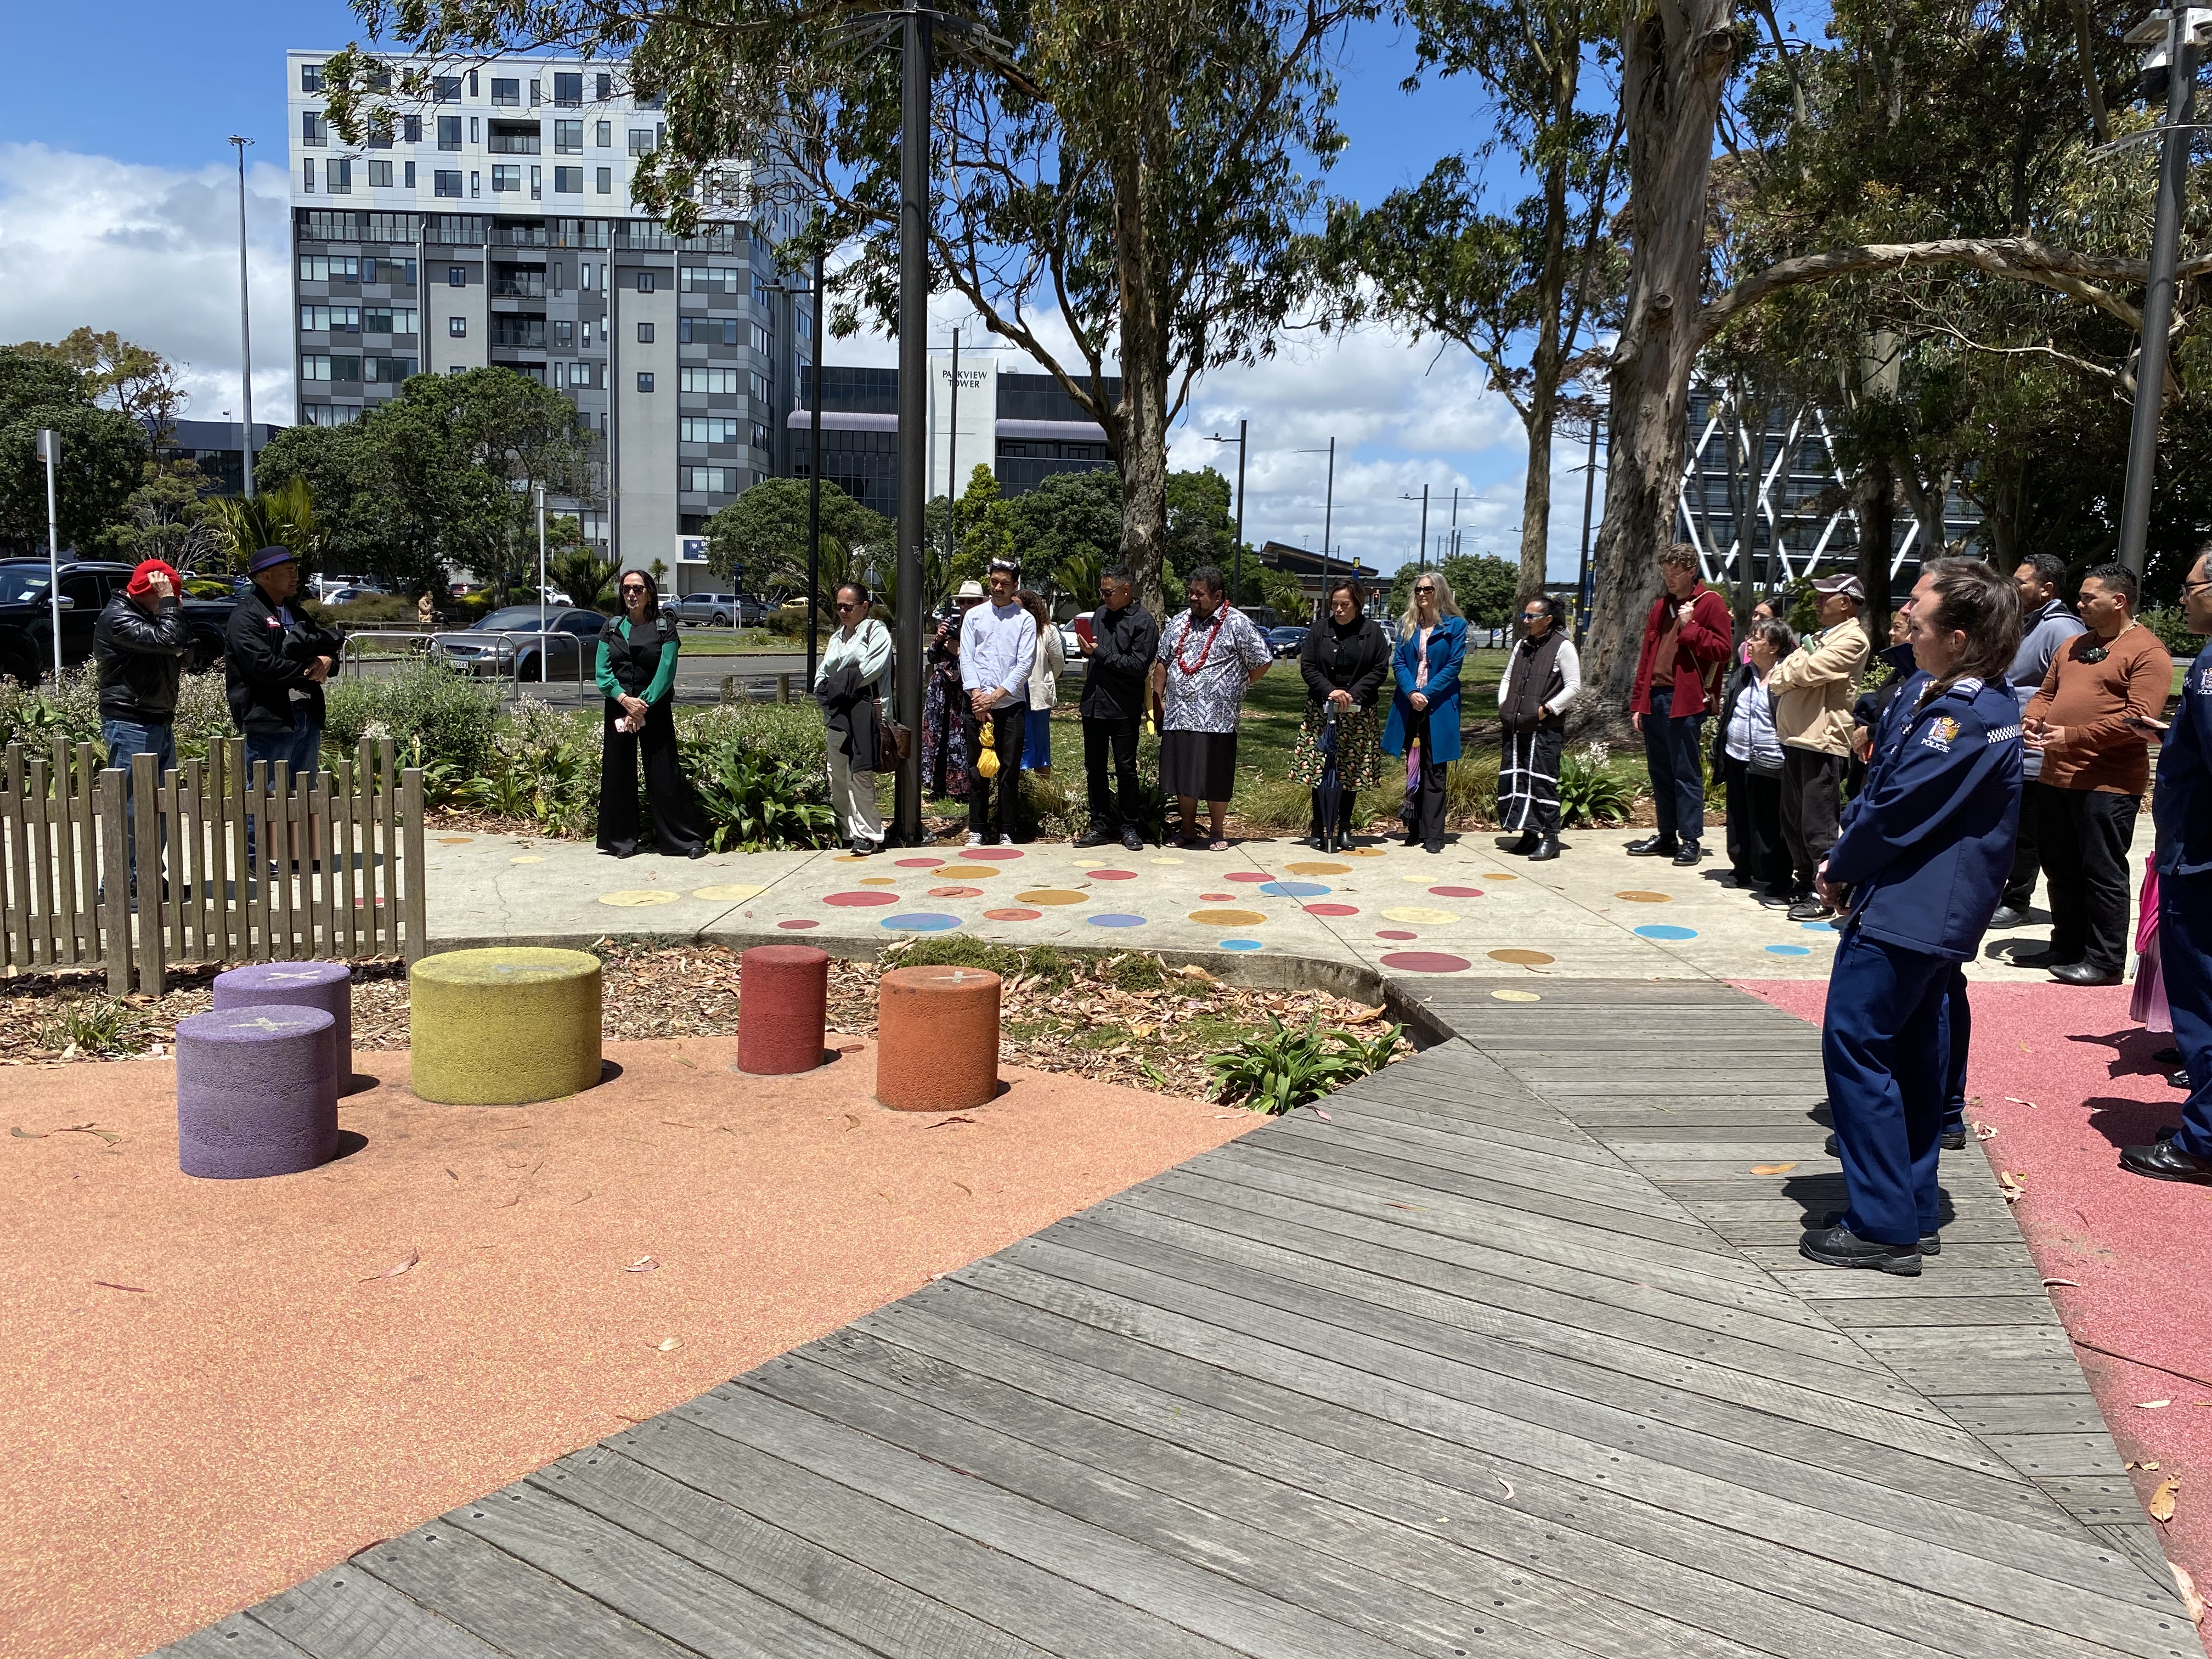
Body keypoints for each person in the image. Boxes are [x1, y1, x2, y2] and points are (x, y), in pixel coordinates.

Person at [1801, 558, 2023, 1273]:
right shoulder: (1949, 698)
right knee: (1912, 1059)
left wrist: (1841, 865)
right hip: (1916, 908)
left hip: (1911, 910)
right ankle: (1910, 1208)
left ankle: (1884, 1224)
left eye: (1919, 617)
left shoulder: (1965, 716)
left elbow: (1899, 810)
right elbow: (1883, 786)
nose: (1906, 621)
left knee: (1859, 1049)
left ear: (1958, 637)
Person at [2019, 562, 2172, 985]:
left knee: (2101, 871)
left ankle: (2105, 960)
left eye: (2089, 598)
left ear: (2118, 600)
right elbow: (2046, 693)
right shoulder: (2073, 645)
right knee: (2060, 868)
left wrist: (2072, 735)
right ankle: (2066, 945)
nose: (2080, 604)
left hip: (2108, 782)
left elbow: (2138, 719)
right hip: (2055, 777)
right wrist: (2034, 718)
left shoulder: (2147, 652)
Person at [2122, 541, 2212, 1183]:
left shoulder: (2209, 666)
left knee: (2204, 1004)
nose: (2183, 596)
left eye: (2191, 585)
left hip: (2203, 863)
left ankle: (2202, 1142)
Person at [225, 544, 343, 868]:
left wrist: (327, 660)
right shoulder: (245, 616)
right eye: (286, 570)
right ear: (265, 576)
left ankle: (299, 853)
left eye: (294, 568)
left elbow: (327, 652)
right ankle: (259, 855)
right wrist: (310, 670)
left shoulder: (297, 613)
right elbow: (260, 665)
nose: (294, 575)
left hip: (306, 713)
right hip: (270, 715)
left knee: (304, 785)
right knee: (268, 788)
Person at [1765, 572, 1871, 919]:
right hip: (1799, 738)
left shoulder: (1853, 639)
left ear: (1846, 602)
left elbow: (1807, 671)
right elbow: (1794, 666)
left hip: (1823, 740)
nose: (1816, 602)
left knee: (1818, 825)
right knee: (1793, 820)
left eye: (1824, 597)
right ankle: (1804, 882)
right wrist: (1791, 669)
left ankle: (1826, 890)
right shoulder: (1823, 636)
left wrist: (1786, 672)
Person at [1991, 554, 2087, 928]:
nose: (2014, 588)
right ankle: (2008, 894)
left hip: (2035, 752)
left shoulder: (2061, 629)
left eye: (2021, 583)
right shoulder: (2028, 625)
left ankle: (2017, 901)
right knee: (2012, 830)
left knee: (2028, 835)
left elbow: (2070, 690)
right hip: (2012, 748)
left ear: (2046, 589)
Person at [1152, 564, 1273, 850]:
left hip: (1218, 718)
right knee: (1184, 774)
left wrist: (1234, 687)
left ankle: (1218, 832)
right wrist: (1158, 701)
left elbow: (1262, 661)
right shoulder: (1179, 622)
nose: (1194, 598)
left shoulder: (1238, 623)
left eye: (1201, 594)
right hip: (1179, 714)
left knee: (1216, 775)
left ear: (1218, 596)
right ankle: (1188, 830)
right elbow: (1163, 661)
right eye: (1191, 593)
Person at [1627, 545, 1732, 865]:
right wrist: (1638, 702)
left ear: (1691, 571)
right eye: (1665, 573)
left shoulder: (1710, 603)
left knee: (1685, 772)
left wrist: (1691, 628)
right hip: (1655, 698)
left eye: (1675, 573)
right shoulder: (1660, 606)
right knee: (1660, 771)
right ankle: (1667, 834)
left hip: (1684, 699)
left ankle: (1691, 839)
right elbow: (1647, 658)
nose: (1669, 579)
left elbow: (1724, 650)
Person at [595, 568, 706, 859]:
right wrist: (624, 700)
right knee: (618, 773)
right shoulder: (611, 627)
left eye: (638, 589)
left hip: (653, 708)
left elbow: (666, 672)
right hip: (618, 707)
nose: (632, 594)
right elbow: (602, 672)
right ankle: (621, 842)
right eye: (626, 589)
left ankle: (683, 841)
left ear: (650, 593)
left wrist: (641, 705)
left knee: (665, 773)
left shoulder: (664, 627)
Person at [95, 558, 191, 887]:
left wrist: (169, 614)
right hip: (131, 722)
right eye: (168, 594)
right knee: (132, 807)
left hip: (158, 721)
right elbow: (173, 643)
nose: (175, 601)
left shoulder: (154, 620)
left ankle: (148, 875)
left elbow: (189, 651)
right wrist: (168, 607)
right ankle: (122, 881)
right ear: (149, 591)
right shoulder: (118, 618)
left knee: (160, 806)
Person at [1293, 577, 1390, 849]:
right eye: (1334, 604)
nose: (1338, 609)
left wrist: (1352, 694)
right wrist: (1330, 691)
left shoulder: (1373, 632)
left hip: (1358, 713)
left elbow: (1380, 669)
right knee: (1319, 769)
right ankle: (1317, 827)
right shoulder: (1319, 630)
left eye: (1344, 604)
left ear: (1357, 604)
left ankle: (1344, 827)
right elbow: (1308, 666)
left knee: (1350, 771)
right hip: (1321, 710)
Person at [1074, 564, 1160, 851]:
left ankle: (1130, 827)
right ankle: (1099, 825)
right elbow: (1096, 654)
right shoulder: (1099, 615)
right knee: (1094, 769)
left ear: (1126, 590)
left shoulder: (1144, 622)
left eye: (1108, 592)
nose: (1104, 598)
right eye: (1102, 592)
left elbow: (1138, 667)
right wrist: (1088, 649)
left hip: (1123, 707)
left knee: (1126, 769)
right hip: (1094, 704)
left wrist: (1098, 652)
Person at [1383, 571, 1469, 854]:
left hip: (1440, 706)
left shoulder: (1455, 626)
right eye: (1419, 589)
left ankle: (1434, 834)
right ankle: (1414, 827)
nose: (1422, 594)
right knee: (1413, 765)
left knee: (1435, 769)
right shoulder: (1407, 625)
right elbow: (1398, 665)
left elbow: (1453, 667)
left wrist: (1426, 694)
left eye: (1428, 589)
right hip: (1409, 704)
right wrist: (1411, 692)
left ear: (1439, 592)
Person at [1713, 617, 1794, 898]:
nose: (1750, 642)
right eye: (1751, 636)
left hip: (1771, 759)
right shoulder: (1744, 673)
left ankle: (1777, 875)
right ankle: (1741, 867)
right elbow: (1729, 713)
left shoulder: (1787, 676)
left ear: (1774, 646)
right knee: (1738, 814)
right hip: (1737, 754)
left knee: (1770, 819)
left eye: (1758, 638)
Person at [960, 560, 1037, 847]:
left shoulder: (1025, 620)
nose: (998, 587)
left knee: (1008, 769)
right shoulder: (975, 616)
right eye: (994, 582)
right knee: (977, 768)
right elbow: (966, 657)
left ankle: (1007, 827)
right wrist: (978, 697)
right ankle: (977, 828)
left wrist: (995, 696)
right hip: (977, 705)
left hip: (1010, 705)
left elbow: (1024, 664)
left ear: (1015, 585)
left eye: (1005, 583)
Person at [1497, 593, 1580, 861]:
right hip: (1517, 724)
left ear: (1548, 619)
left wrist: (1547, 710)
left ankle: (1550, 836)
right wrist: (1504, 705)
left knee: (1543, 781)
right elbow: (1508, 678)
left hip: (1544, 729)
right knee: (1519, 777)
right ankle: (1529, 832)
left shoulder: (1562, 647)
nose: (1526, 620)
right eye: (1525, 615)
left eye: (1531, 616)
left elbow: (1574, 687)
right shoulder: (1522, 645)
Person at [814, 580, 892, 856]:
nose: (842, 612)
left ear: (865, 606)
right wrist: (837, 683)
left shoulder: (876, 632)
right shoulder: (837, 637)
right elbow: (821, 676)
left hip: (864, 712)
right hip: (838, 714)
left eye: (848, 607)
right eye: (839, 607)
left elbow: (870, 671)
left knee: (859, 773)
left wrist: (839, 681)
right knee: (837, 773)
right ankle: (846, 830)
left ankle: (869, 834)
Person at [921, 584, 984, 800]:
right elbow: (932, 656)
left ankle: (961, 788)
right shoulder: (948, 623)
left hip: (964, 692)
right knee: (938, 735)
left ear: (980, 603)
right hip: (941, 691)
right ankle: (937, 785)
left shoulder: (983, 626)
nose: (965, 606)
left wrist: (957, 645)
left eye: (971, 601)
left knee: (962, 738)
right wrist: (939, 639)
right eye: (962, 601)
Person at [1846, 610, 1916, 799]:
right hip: (1868, 766)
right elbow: (1874, 705)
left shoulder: (1923, 677)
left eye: (1897, 627)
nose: (1891, 633)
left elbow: (1908, 721)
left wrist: (1869, 732)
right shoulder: (1898, 672)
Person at [1016, 589, 1064, 776]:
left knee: (1040, 742)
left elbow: (1058, 662)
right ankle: (1019, 787)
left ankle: (1044, 789)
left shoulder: (1047, 631)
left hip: (1036, 695)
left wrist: (1046, 679)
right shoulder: (1011, 628)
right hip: (1014, 692)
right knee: (1018, 740)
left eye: (1019, 607)